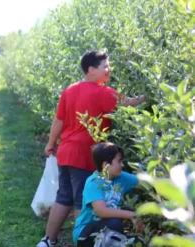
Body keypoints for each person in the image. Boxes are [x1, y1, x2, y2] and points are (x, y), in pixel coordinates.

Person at [37, 50, 145, 247]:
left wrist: (51, 143)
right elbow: (129, 104)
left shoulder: (70, 90)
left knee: (63, 197)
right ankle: (85, 243)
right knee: (82, 200)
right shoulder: (104, 92)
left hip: (66, 152)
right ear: (91, 70)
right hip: (85, 154)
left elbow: (58, 120)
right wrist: (147, 95)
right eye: (105, 66)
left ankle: (48, 241)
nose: (109, 69)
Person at [73, 142, 144, 247]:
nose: (122, 165)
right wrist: (131, 215)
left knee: (138, 243)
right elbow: (102, 211)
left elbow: (147, 183)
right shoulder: (93, 182)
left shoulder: (121, 177)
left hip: (107, 231)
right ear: (106, 165)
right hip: (84, 235)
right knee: (114, 223)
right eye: (119, 161)